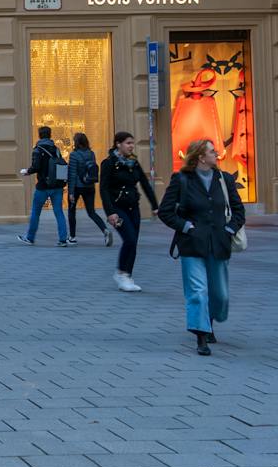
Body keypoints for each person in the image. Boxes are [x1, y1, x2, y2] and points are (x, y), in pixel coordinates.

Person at [156, 138, 245, 357]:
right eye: (212, 152)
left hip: (219, 244)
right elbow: (166, 211)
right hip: (192, 244)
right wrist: (186, 227)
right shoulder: (182, 180)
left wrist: (230, 230)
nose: (217, 155)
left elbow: (238, 210)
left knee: (220, 294)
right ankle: (201, 336)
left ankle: (210, 321)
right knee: (197, 291)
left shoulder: (223, 179)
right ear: (200, 157)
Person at [98, 131, 156, 292]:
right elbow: (103, 189)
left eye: (132, 143)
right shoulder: (109, 163)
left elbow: (144, 184)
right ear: (118, 144)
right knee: (129, 239)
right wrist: (110, 212)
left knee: (133, 242)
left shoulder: (133, 162)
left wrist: (155, 206)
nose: (131, 146)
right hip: (117, 208)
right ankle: (121, 273)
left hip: (133, 208)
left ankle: (127, 275)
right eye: (128, 143)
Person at [18, 125, 70, 246]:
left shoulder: (38, 149)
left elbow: (36, 166)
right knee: (59, 212)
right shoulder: (56, 149)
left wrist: (27, 171)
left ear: (39, 135)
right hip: (57, 186)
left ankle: (30, 237)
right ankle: (63, 239)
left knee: (36, 212)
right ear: (50, 135)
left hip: (42, 186)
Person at [67, 132, 107, 247]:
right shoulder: (91, 154)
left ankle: (73, 237)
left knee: (71, 211)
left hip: (77, 187)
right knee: (91, 212)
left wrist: (70, 192)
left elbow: (72, 174)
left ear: (76, 143)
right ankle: (105, 230)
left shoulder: (74, 155)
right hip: (90, 186)